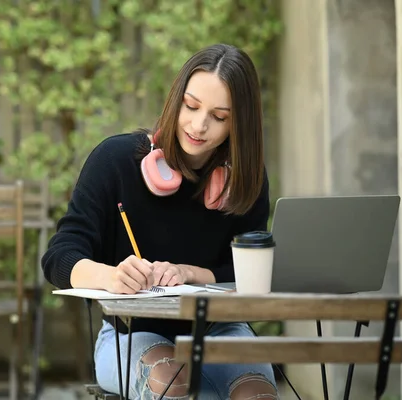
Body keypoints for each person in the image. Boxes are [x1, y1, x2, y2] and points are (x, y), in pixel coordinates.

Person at [41, 43, 277, 400]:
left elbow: (249, 271)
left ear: (239, 123)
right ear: (176, 99)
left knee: (256, 394)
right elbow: (59, 256)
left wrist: (190, 272)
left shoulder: (246, 180)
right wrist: (111, 277)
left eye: (219, 116)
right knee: (170, 382)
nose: (199, 125)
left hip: (221, 329)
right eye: (191, 106)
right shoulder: (114, 161)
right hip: (129, 335)